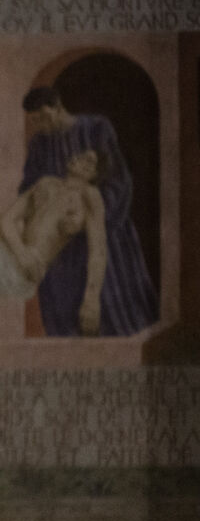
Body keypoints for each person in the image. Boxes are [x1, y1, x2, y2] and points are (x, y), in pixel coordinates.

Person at [18, 86, 157, 337]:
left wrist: (85, 220)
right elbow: (28, 188)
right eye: (34, 121)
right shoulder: (39, 143)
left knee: (111, 315)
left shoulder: (96, 128)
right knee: (65, 321)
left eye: (43, 117)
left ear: (58, 107)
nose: (40, 125)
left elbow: (118, 181)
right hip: (59, 245)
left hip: (103, 233)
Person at [0, 147, 108, 335]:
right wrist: (21, 253)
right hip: (15, 256)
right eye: (82, 154)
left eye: (89, 161)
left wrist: (91, 299)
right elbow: (6, 220)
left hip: (23, 272)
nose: (80, 158)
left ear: (94, 174)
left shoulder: (90, 195)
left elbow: (98, 251)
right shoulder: (46, 183)